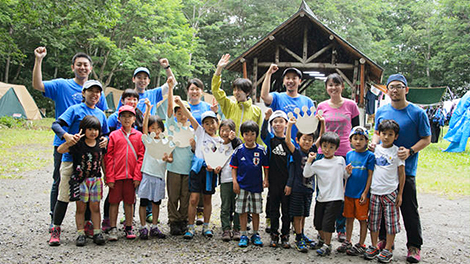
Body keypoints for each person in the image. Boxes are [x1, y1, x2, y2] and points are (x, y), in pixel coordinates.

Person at [32, 47, 108, 231]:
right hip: (65, 146)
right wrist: (39, 60)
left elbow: (102, 125)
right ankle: (55, 222)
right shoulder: (61, 85)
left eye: (86, 65)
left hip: (89, 149)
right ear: (73, 66)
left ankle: (87, 223)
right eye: (79, 64)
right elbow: (38, 85)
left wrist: (104, 139)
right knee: (61, 183)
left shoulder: (99, 101)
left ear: (90, 68)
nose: (82, 67)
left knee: (88, 184)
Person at [371, 74, 431, 263]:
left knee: (408, 207)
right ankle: (384, 241)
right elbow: (376, 133)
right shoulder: (382, 110)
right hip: (383, 170)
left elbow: (426, 138)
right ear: (387, 91)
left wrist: (411, 151)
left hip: (406, 170)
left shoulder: (417, 113)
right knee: (381, 207)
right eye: (391, 87)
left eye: (398, 86)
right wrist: (374, 144)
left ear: (406, 89)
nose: (394, 90)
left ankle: (414, 246)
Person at [48, 80, 109, 246]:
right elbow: (56, 124)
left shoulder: (101, 114)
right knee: (64, 196)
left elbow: (106, 134)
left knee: (90, 199)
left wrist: (106, 140)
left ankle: (88, 227)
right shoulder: (74, 109)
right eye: (91, 91)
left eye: (98, 92)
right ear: (83, 93)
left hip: (91, 165)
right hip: (71, 160)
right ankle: (56, 228)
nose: (94, 94)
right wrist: (66, 136)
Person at [317, 73, 360, 242]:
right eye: (330, 85)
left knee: (341, 193)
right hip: (324, 153)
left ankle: (340, 228)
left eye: (337, 84)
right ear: (326, 88)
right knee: (322, 192)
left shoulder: (351, 105)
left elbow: (357, 129)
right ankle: (322, 228)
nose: (333, 88)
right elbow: (318, 130)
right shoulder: (321, 106)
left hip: (344, 152)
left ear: (343, 86)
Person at [174, 99, 223, 239]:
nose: (210, 126)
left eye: (212, 122)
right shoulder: (200, 133)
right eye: (206, 123)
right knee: (194, 199)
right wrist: (180, 103)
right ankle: (190, 227)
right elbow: (189, 115)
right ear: (202, 125)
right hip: (197, 170)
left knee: (207, 199)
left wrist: (217, 168)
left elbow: (221, 158)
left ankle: (206, 227)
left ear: (217, 123)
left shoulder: (220, 141)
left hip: (210, 173)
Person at [56, 116, 106, 246]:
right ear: (83, 130)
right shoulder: (79, 144)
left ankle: (97, 232)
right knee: (81, 208)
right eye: (89, 129)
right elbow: (60, 150)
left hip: (96, 180)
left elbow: (103, 160)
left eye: (96, 129)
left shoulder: (100, 143)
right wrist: (71, 141)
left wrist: (106, 175)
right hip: (81, 180)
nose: (93, 132)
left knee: (95, 207)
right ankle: (80, 233)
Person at [303, 132, 351, 256]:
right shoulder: (318, 163)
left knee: (327, 223)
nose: (327, 150)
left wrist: (348, 172)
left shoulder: (340, 160)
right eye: (324, 146)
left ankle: (327, 245)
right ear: (321, 147)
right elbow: (306, 174)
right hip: (321, 197)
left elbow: (344, 176)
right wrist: (309, 161)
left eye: (331, 147)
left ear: (336, 148)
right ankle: (322, 239)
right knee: (317, 222)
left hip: (335, 197)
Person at [364, 120, 405, 263]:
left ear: (396, 136)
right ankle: (374, 245)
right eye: (383, 134)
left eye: (390, 134)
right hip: (375, 192)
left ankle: (388, 249)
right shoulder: (374, 150)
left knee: (391, 223)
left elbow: (401, 174)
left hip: (390, 193)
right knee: (373, 221)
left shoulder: (398, 151)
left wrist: (400, 193)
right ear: (379, 134)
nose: (386, 137)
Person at [105, 105, 145, 241]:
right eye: (124, 116)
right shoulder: (114, 135)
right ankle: (113, 228)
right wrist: (109, 176)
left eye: (130, 116)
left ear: (134, 119)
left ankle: (128, 227)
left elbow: (141, 157)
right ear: (119, 119)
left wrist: (137, 175)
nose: (127, 119)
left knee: (129, 202)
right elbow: (108, 157)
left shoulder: (139, 136)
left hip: (131, 177)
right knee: (114, 202)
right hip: (116, 176)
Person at [284, 116, 324, 253]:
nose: (307, 142)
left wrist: (322, 123)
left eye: (309, 139)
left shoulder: (313, 150)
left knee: (304, 214)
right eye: (304, 139)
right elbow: (287, 141)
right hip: (297, 188)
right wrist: (289, 125)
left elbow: (321, 137)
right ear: (298, 140)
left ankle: (300, 233)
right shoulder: (296, 152)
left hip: (309, 189)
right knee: (297, 214)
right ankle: (298, 238)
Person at [336, 126, 375, 256]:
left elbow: (370, 175)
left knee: (362, 219)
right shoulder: (349, 155)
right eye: (355, 139)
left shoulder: (370, 156)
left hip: (361, 194)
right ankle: (348, 241)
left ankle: (361, 243)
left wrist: (365, 192)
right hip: (349, 193)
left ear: (367, 141)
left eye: (361, 139)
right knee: (349, 218)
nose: (358, 142)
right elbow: (346, 174)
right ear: (350, 140)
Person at [137, 98, 172, 240]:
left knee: (156, 202)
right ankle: (143, 226)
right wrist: (147, 111)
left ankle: (155, 226)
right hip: (147, 174)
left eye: (158, 128)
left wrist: (167, 159)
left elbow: (171, 159)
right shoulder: (148, 140)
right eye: (153, 128)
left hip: (159, 176)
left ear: (162, 129)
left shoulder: (166, 141)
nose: (156, 131)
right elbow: (143, 128)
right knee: (144, 201)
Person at [230, 120, 269, 247]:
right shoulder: (238, 150)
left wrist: (266, 179)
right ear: (242, 135)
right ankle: (243, 234)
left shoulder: (261, 150)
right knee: (242, 211)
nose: (249, 137)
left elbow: (266, 166)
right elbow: (234, 167)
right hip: (242, 186)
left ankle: (256, 233)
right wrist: (235, 182)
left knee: (255, 211)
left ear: (256, 135)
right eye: (246, 134)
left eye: (252, 134)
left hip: (256, 186)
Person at [212, 54, 263, 143]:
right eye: (234, 90)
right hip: (229, 147)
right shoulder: (229, 105)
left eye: (239, 90)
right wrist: (219, 69)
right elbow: (215, 90)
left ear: (247, 92)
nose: (236, 93)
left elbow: (259, 134)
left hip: (247, 150)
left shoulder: (257, 111)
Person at [166, 80, 194, 236]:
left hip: (188, 169)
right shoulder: (172, 127)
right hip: (174, 169)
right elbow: (169, 107)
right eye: (179, 113)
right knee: (173, 196)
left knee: (186, 197)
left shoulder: (193, 130)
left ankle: (183, 220)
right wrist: (170, 88)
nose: (182, 115)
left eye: (184, 112)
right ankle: (173, 221)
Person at [260, 63, 315, 143]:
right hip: (279, 145)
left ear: (300, 81)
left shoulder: (308, 101)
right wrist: (269, 74)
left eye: (294, 78)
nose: (290, 81)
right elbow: (264, 96)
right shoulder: (277, 97)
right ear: (283, 81)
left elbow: (311, 126)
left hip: (299, 146)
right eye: (288, 78)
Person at [261, 109, 291, 248]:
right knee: (274, 210)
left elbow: (292, 165)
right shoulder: (271, 140)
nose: (278, 124)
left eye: (281, 121)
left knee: (286, 211)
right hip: (274, 181)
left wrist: (290, 183)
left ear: (286, 124)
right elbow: (263, 134)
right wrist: (266, 119)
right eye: (275, 122)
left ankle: (285, 234)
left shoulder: (289, 143)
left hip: (286, 183)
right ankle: (274, 233)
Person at [218, 119, 243, 242]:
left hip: (237, 180)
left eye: (227, 130)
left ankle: (237, 229)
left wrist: (234, 140)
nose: (224, 133)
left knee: (238, 205)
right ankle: (226, 229)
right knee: (225, 206)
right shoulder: (217, 145)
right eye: (222, 130)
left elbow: (241, 150)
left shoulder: (236, 144)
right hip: (224, 180)